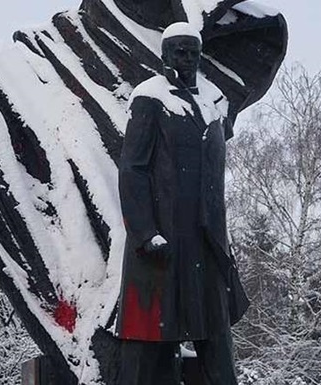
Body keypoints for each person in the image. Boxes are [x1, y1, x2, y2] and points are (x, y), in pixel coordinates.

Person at [115, 22, 249, 385]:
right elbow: (132, 168)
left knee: (216, 339)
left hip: (206, 241)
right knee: (148, 338)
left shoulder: (214, 102)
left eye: (193, 52)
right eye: (179, 51)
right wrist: (145, 233)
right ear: (164, 55)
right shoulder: (149, 98)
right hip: (163, 239)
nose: (187, 59)